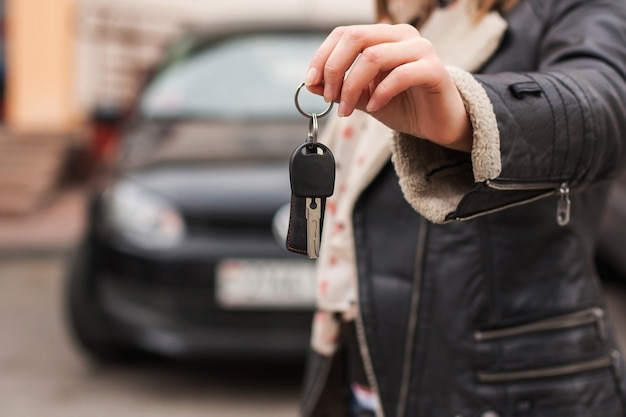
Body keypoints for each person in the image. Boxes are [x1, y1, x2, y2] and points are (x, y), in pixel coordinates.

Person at [298, 0, 626, 416]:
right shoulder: (414, 17)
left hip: (505, 394)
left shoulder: (566, 9)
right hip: (364, 385)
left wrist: (465, 113)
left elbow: (604, 106)